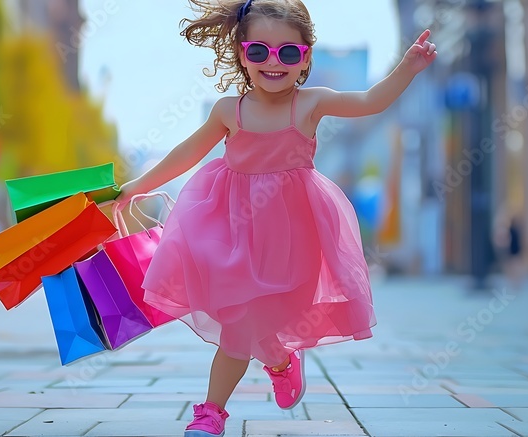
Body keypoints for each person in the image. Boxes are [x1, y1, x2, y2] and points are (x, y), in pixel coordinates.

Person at [113, 1, 437, 435]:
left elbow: (369, 101)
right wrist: (140, 184)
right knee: (240, 322)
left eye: (288, 53)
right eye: (258, 51)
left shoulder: (310, 104)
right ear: (241, 53)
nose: (273, 62)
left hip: (290, 236)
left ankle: (271, 369)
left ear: (304, 57)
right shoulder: (229, 110)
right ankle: (217, 410)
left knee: (256, 320)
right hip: (229, 230)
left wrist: (407, 68)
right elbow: (187, 152)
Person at [494, 206, 525, 291]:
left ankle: (515, 283)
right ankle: (515, 283)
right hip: (515, 252)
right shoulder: (513, 230)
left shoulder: (512, 230)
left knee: (513, 269)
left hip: (513, 252)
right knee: (514, 269)